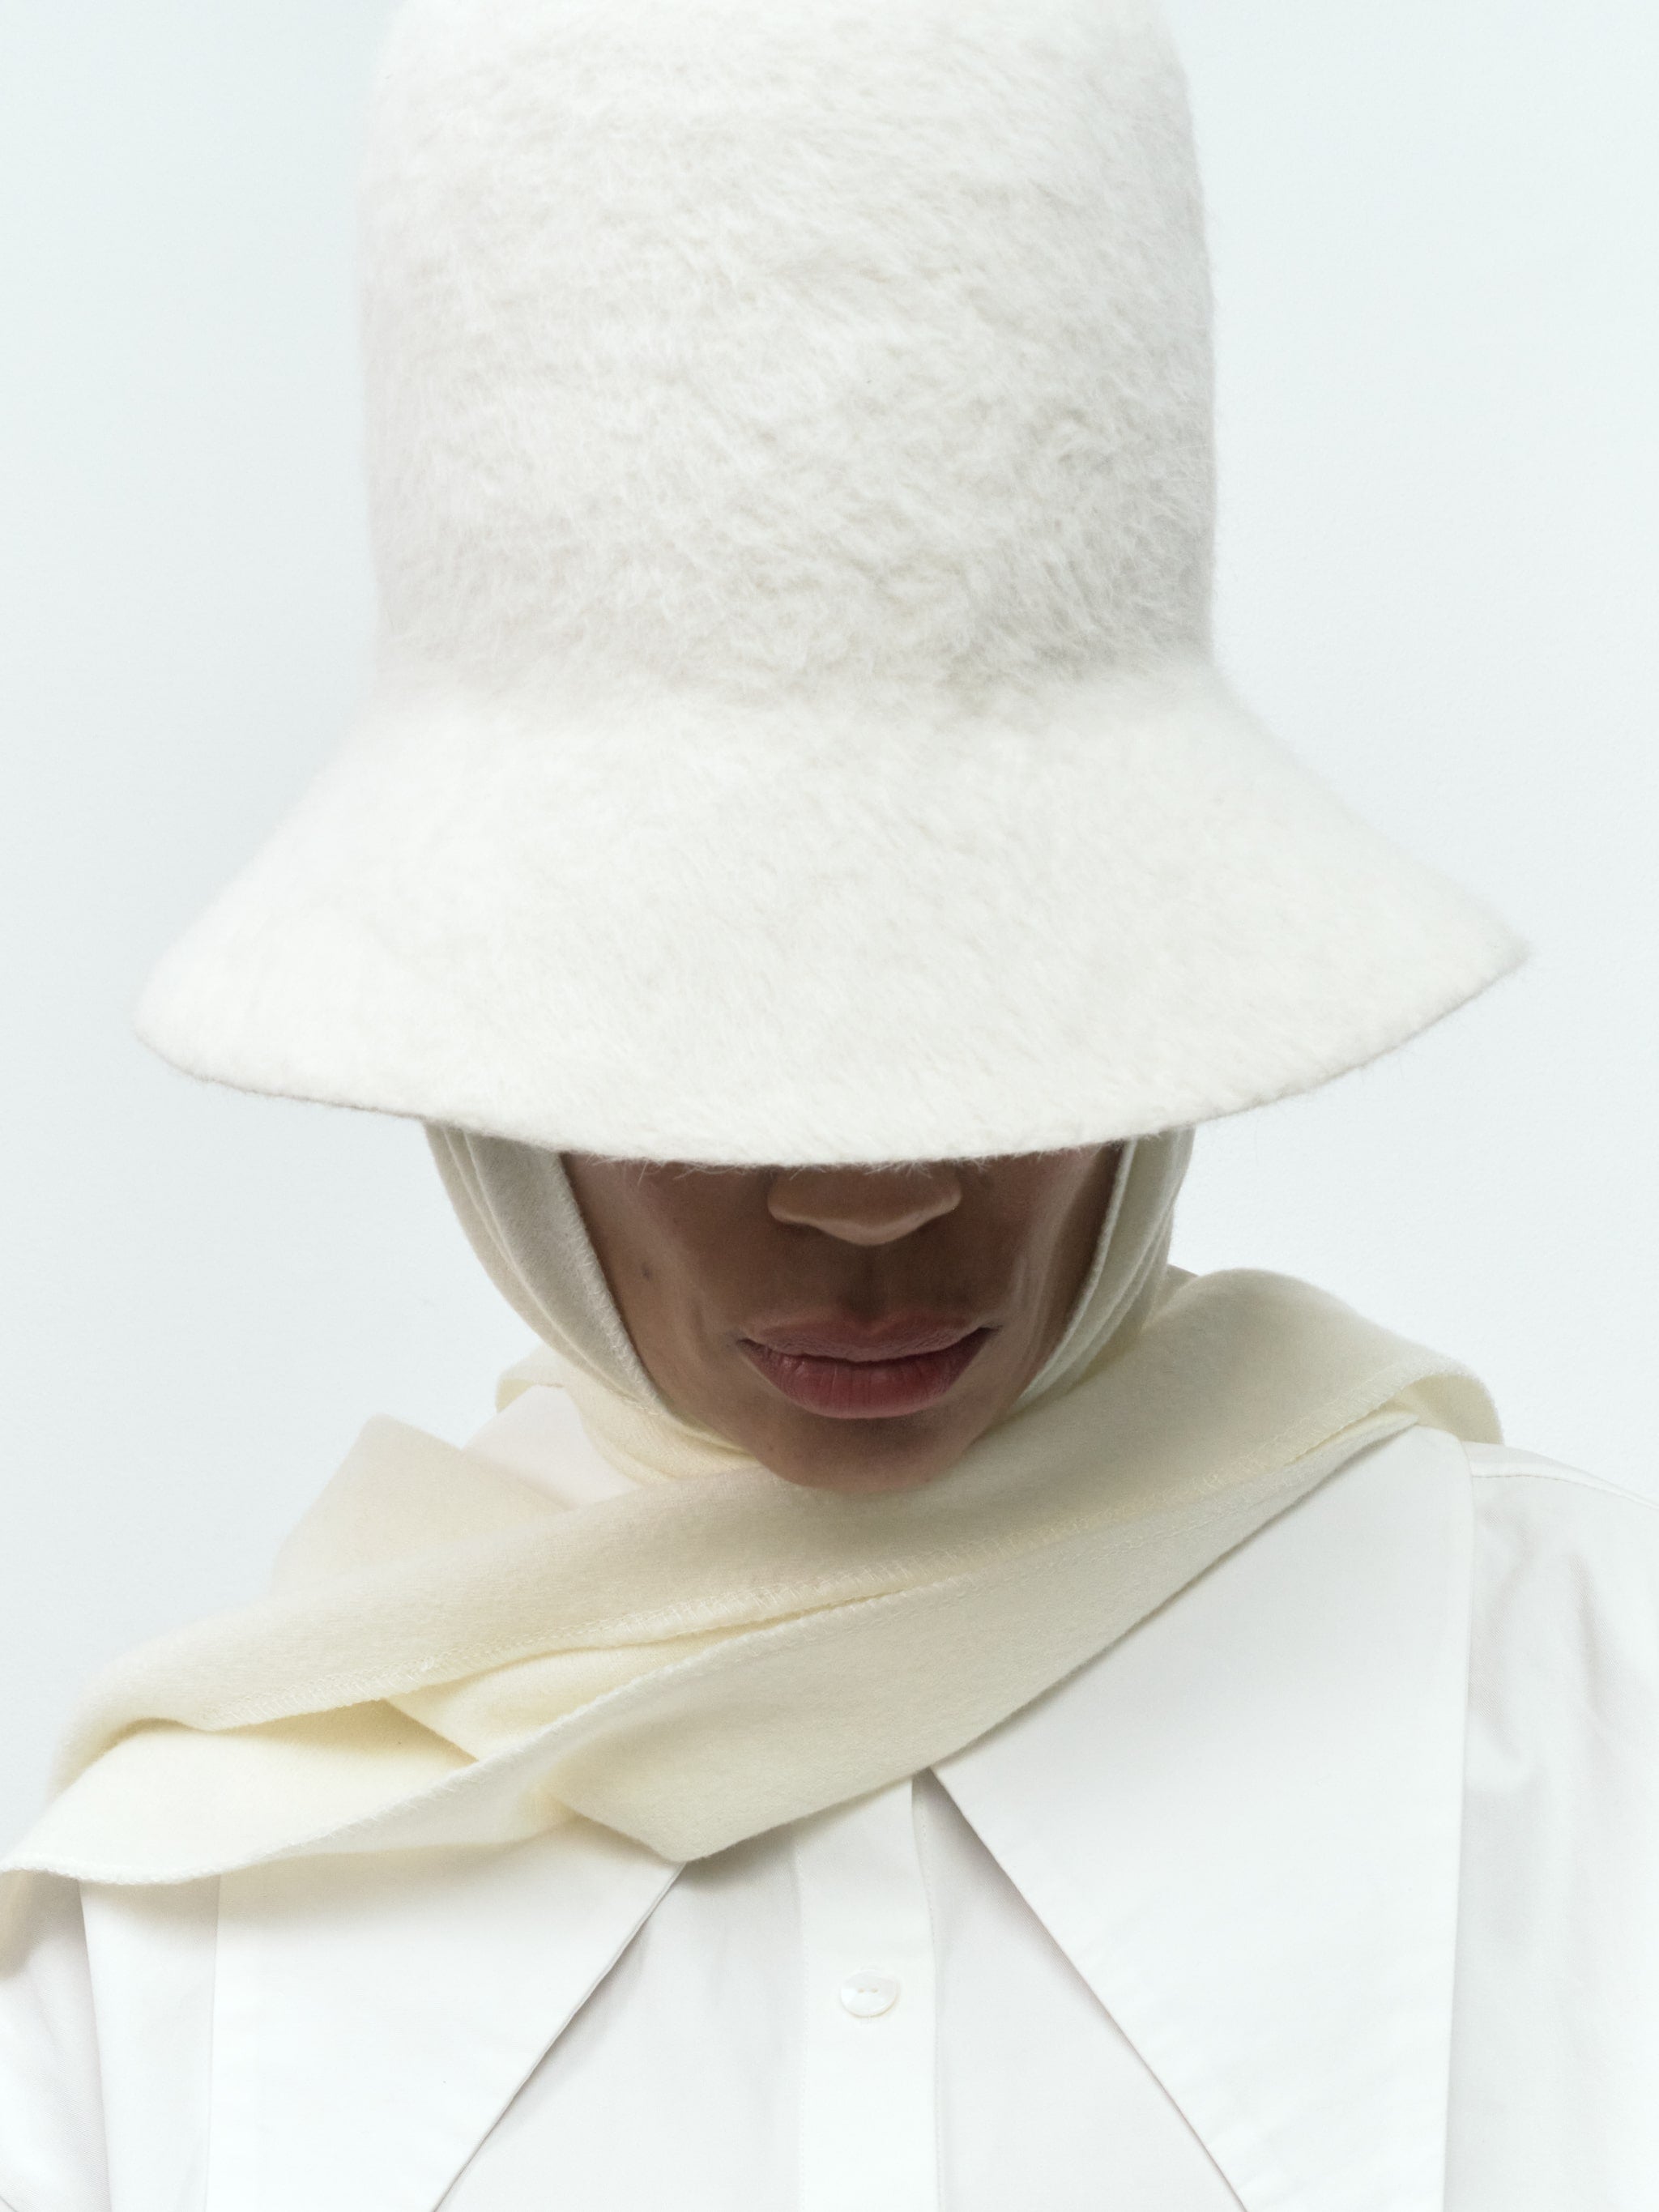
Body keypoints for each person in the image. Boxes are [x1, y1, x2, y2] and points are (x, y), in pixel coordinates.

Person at [2, 1, 1656, 2206]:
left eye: (999, 990)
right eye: (713, 1026)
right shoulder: (182, 1940)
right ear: (489, 1082)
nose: (877, 1192)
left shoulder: (1585, 1737)